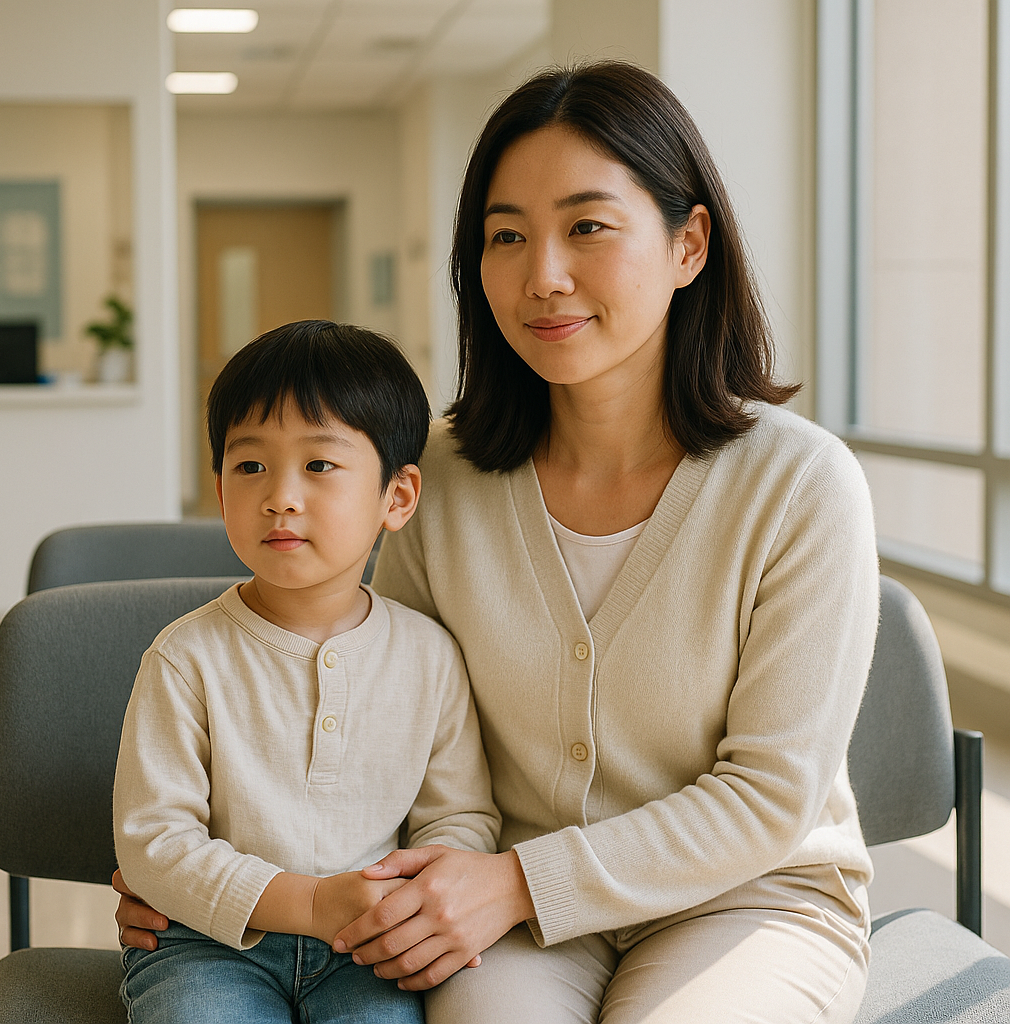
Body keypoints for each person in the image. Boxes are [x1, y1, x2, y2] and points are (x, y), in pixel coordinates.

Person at [117, 63, 879, 1023]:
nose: (542, 274)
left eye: (587, 227)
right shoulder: (437, 479)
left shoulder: (801, 485)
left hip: (747, 898)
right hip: (499, 907)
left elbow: (771, 796)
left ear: (689, 244)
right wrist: (220, 882)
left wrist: (522, 882)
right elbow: (376, 703)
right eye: (506, 236)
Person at [112, 320, 500, 1024]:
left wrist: (415, 895)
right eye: (250, 465)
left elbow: (461, 816)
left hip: (369, 947)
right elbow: (155, 843)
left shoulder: (430, 656)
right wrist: (311, 903)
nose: (280, 495)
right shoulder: (185, 656)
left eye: (319, 466)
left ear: (398, 497)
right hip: (206, 945)